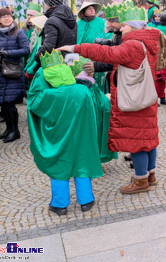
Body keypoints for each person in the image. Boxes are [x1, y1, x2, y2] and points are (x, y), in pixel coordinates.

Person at [57, 6, 161, 194]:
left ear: (133, 26)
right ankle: (150, 175)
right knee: (148, 137)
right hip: (146, 96)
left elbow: (107, 54)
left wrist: (75, 48)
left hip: (134, 100)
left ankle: (140, 181)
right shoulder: (148, 41)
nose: (121, 29)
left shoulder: (133, 45)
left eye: (124, 26)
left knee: (136, 139)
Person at [28, 51, 105, 216]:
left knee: (59, 165)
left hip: (59, 137)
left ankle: (60, 204)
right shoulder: (82, 91)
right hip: (82, 136)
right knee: (82, 162)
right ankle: (86, 200)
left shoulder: (48, 95)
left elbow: (33, 102)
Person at [0, 8, 30, 143]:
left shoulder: (19, 32)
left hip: (12, 72)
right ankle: (8, 129)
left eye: (8, 16)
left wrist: (9, 53)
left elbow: (26, 50)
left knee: (10, 103)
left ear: (12, 18)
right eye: (3, 17)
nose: (6, 19)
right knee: (3, 103)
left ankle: (14, 130)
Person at [34, 0, 77, 64]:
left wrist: (37, 57)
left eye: (45, 3)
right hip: (70, 59)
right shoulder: (71, 19)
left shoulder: (52, 21)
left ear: (50, 4)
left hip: (56, 61)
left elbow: (48, 47)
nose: (44, 6)